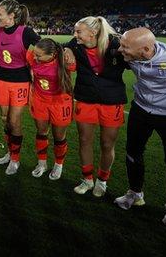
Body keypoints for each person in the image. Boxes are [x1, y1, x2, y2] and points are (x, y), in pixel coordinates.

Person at [114, 27, 166, 229]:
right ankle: (134, 193)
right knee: (132, 153)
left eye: (125, 47)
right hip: (141, 110)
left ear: (145, 50)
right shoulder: (131, 56)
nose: (120, 50)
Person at [64, 16, 127, 197]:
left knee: (107, 144)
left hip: (112, 101)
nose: (75, 35)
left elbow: (133, 59)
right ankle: (87, 179)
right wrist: (67, 48)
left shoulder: (116, 43)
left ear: (93, 33)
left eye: (78, 31)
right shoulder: (76, 44)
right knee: (85, 140)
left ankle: (102, 180)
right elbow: (65, 46)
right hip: (86, 99)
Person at [0, 0, 41, 175]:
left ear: (11, 16)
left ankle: (15, 160)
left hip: (19, 81)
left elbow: (44, 46)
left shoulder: (25, 32)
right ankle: (9, 151)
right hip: (1, 79)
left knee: (14, 121)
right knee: (4, 118)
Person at [26, 38, 74, 180]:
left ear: (52, 54)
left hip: (60, 102)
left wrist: (69, 49)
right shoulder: (33, 57)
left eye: (39, 55)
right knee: (41, 132)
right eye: (35, 54)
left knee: (59, 137)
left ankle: (58, 164)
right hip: (39, 100)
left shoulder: (65, 62)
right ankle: (42, 163)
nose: (35, 57)